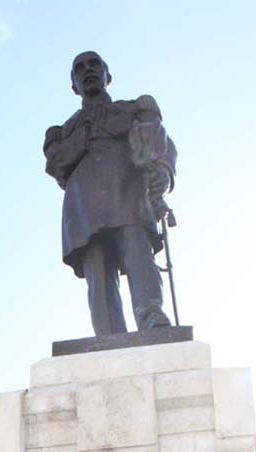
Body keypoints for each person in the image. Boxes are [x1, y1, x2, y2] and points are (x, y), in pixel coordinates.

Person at [44, 50, 177, 337]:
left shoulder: (133, 110)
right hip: (84, 207)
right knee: (98, 271)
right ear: (74, 85)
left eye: (94, 65)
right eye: (80, 68)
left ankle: (151, 316)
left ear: (108, 75)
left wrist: (163, 172)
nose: (88, 70)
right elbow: (57, 165)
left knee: (138, 254)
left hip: (128, 193)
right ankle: (108, 336)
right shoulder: (61, 132)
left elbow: (158, 139)